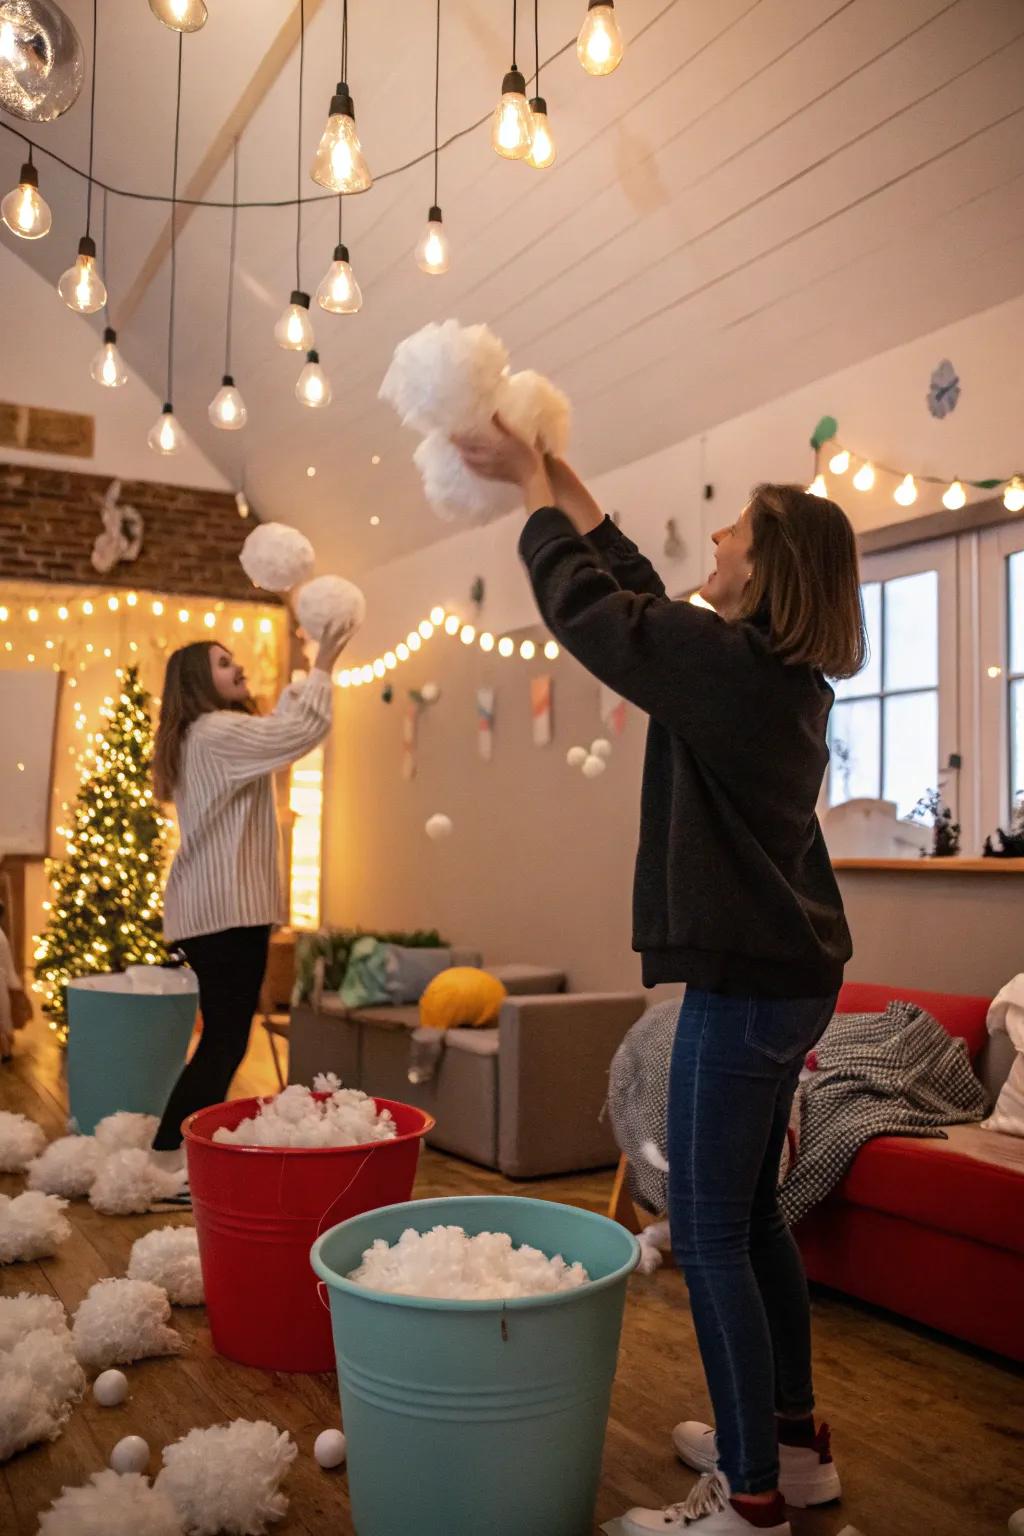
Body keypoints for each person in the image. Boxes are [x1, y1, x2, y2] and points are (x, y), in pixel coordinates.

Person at [454, 421, 864, 1536]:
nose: (718, 535)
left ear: (765, 570)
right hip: (789, 979)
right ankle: (789, 1440)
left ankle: (748, 1498)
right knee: (752, 1215)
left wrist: (531, 496)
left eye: (735, 528)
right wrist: (561, 473)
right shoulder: (764, 674)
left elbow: (595, 614)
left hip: (746, 989)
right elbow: (635, 586)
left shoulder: (727, 671)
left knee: (707, 1225)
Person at [150, 621, 350, 1174]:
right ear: (199, 681)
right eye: (221, 662)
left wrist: (308, 675)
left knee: (225, 1036)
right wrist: (324, 665)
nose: (236, 666)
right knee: (224, 1040)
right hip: (223, 913)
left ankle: (179, 1152)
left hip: (221, 911)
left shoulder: (212, 733)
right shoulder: (215, 731)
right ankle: (169, 1156)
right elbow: (295, 734)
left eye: (232, 658)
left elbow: (279, 730)